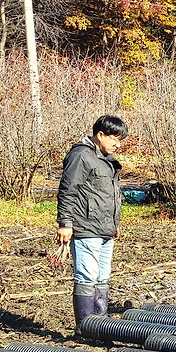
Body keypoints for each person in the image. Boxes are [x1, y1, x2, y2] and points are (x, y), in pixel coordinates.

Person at [56, 115, 128, 326]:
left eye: (120, 139)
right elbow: (67, 191)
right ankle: (86, 327)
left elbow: (108, 195)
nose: (118, 143)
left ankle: (101, 325)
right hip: (86, 227)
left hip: (105, 229)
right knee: (87, 278)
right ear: (100, 135)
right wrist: (65, 224)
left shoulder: (106, 160)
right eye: (114, 138)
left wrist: (114, 225)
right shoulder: (81, 156)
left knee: (102, 278)